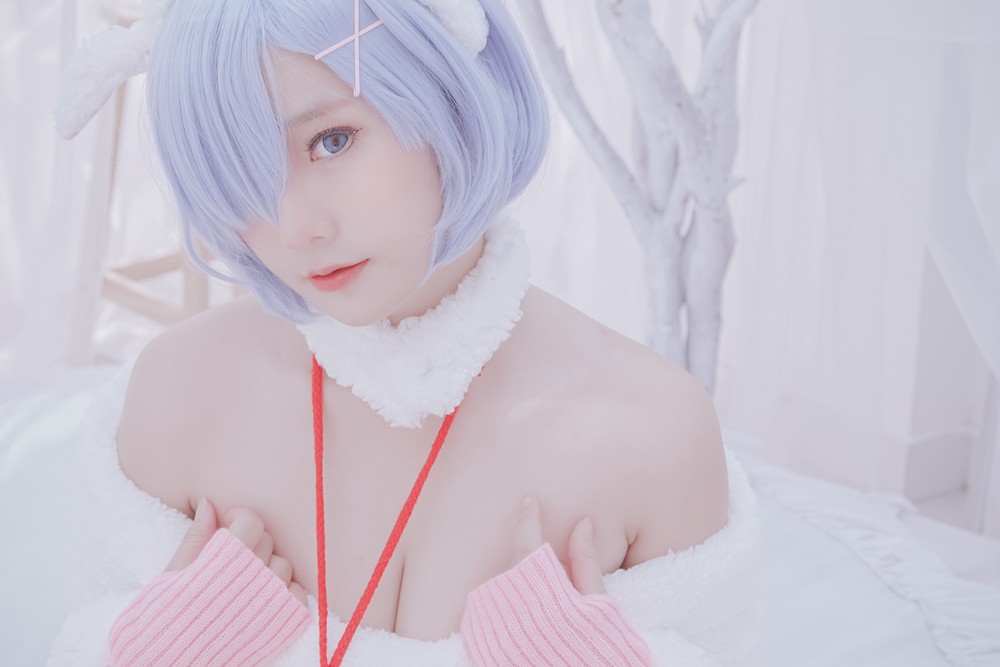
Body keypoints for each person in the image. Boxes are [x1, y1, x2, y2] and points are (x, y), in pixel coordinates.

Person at [49, 0, 760, 665]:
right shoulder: (179, 393)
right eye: (240, 173)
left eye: (331, 141)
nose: (297, 227)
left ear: (449, 89)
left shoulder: (654, 435)